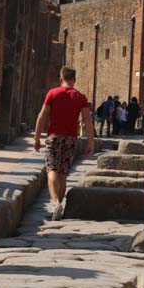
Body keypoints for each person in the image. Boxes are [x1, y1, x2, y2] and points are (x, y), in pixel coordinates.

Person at [34, 66, 94, 219]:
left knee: (52, 171)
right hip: (71, 139)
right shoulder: (80, 97)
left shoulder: (53, 93)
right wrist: (90, 142)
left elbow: (42, 116)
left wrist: (37, 138)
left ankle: (55, 204)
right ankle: (58, 208)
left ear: (61, 79)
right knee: (63, 175)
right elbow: (87, 119)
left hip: (54, 137)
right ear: (74, 80)